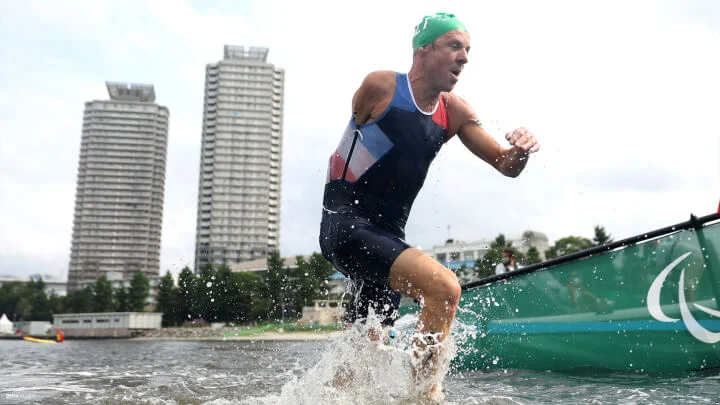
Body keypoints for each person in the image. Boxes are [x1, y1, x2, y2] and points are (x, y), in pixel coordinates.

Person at [319, 12, 540, 396]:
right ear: (423, 50)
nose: (465, 57)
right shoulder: (381, 87)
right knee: (444, 289)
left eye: (468, 50)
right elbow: (344, 155)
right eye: (454, 46)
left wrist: (520, 150)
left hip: (387, 239)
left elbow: (505, 164)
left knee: (361, 358)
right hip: (346, 225)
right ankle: (423, 397)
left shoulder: (454, 112)